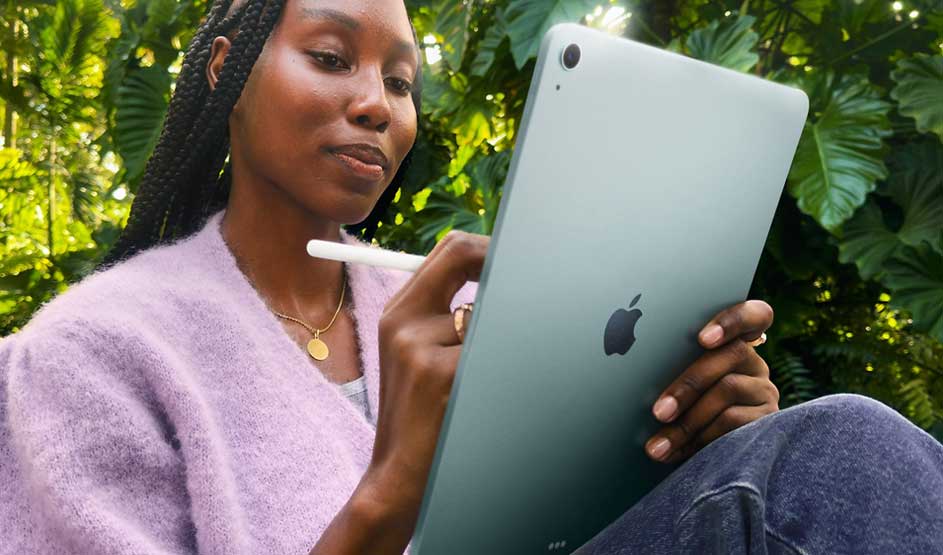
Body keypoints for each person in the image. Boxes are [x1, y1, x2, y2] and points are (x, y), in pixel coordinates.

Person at [0, 1, 940, 553]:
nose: (377, 104)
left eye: (401, 82)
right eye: (330, 58)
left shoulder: (462, 311)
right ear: (225, 71)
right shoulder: (91, 352)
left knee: (828, 456)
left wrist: (705, 452)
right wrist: (390, 491)